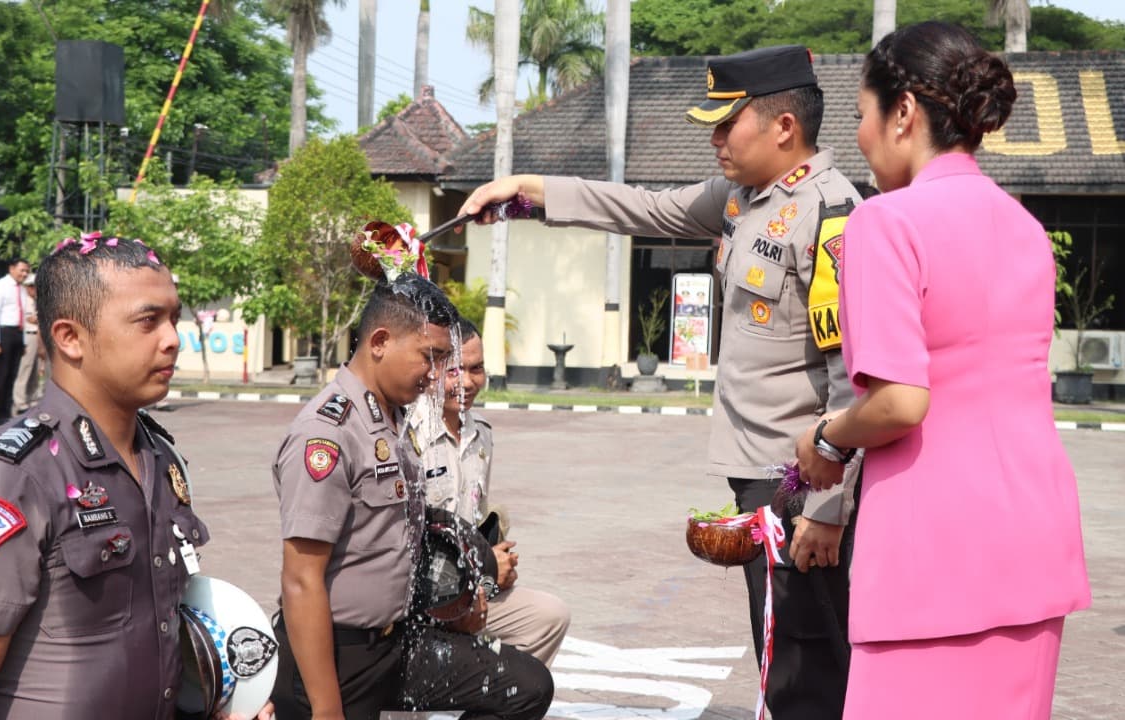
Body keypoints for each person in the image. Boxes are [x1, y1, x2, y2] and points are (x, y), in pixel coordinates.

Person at [460, 45, 860, 718]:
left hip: (802, 486)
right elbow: (646, 208)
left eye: (725, 123)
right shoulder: (742, 199)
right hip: (761, 481)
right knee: (780, 649)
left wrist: (825, 508)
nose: (712, 139)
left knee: (808, 659)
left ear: (782, 127)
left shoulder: (831, 214)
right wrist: (527, 190)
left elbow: (852, 374)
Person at [794, 22, 1090, 719]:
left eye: (861, 114)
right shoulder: (1022, 225)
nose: (859, 137)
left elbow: (899, 402)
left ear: (902, 113)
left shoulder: (885, 222)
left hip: (931, 553)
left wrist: (828, 440)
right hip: (1033, 541)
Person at [0, 236, 272, 719]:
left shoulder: (160, 458)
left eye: (173, 317)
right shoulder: (12, 478)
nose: (173, 338)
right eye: (147, 320)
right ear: (70, 337)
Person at [270, 275, 554, 720]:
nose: (436, 373)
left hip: (397, 644)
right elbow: (301, 580)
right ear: (380, 341)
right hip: (339, 660)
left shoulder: (391, 420)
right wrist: (327, 710)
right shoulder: (327, 434)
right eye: (430, 356)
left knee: (526, 686)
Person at [410, 318, 571, 666]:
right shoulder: (405, 435)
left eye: (477, 369)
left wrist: (496, 559)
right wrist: (483, 568)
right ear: (431, 369)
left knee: (548, 617)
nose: (467, 382)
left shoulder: (481, 434)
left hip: (467, 590)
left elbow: (474, 520)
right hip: (413, 597)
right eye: (454, 371)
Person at [0, 258, 31, 426]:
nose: (24, 274)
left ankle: (7, 411)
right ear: (11, 268)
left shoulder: (22, 290)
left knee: (12, 375)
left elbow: (23, 315)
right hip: (3, 332)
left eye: (27, 271)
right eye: (21, 270)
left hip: (17, 333)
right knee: (2, 375)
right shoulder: (0, 286)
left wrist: (24, 340)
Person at [13, 273, 43, 412]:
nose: (34, 289)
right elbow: (31, 319)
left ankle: (32, 398)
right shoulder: (23, 300)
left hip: (38, 336)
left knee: (35, 370)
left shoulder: (38, 301)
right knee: (24, 369)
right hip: (28, 335)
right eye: (31, 286)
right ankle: (20, 401)